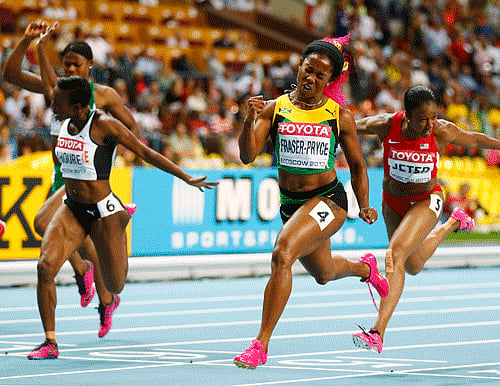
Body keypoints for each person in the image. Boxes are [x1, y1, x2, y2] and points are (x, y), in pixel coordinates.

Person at [26, 75, 218, 359]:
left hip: (102, 212)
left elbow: (145, 151)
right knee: (45, 267)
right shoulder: (63, 123)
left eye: (58, 101)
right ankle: (50, 342)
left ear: (78, 105)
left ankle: (120, 215)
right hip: (72, 208)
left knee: (115, 284)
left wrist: (185, 176)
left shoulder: (104, 125)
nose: (52, 104)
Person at [233, 36, 389, 369]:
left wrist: (363, 204)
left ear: (330, 81)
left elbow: (359, 166)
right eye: (308, 70)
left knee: (282, 252)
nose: (311, 79)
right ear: (299, 67)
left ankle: (260, 345)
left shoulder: (338, 116)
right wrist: (250, 120)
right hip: (292, 204)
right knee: (324, 272)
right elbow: (247, 156)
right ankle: (366, 268)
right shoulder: (276, 109)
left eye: (320, 75)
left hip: (329, 200)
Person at [0, 22, 140, 341]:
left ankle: (88, 275)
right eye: (66, 65)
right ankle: (103, 296)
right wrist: (28, 41)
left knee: (42, 224)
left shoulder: (102, 96)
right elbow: (11, 74)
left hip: (85, 177)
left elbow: (131, 127)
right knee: (84, 244)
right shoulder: (57, 90)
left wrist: (108, 147)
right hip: (58, 175)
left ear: (91, 66)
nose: (70, 69)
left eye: (76, 65)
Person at [352, 85, 500, 353]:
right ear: (406, 115)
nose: (430, 124)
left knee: (394, 254)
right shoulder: (387, 124)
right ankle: (453, 223)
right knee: (414, 265)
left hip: (426, 199)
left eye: (433, 117)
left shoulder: (442, 130)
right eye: (423, 119)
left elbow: (475, 140)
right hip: (392, 202)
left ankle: (377, 332)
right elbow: (350, 125)